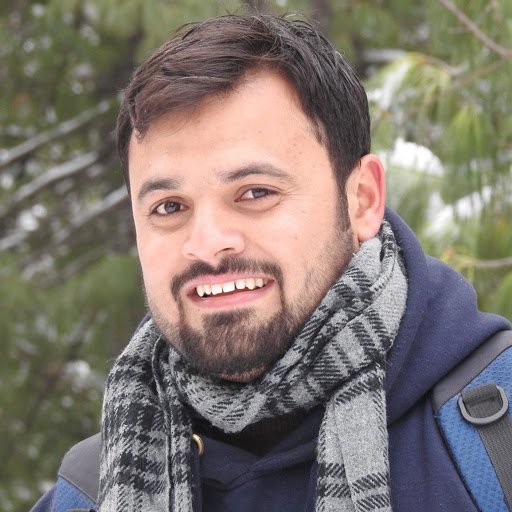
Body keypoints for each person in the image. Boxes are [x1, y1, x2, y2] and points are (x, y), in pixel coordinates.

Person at [31, 13, 511, 512]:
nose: (207, 244)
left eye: (256, 192)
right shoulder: (90, 493)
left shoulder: (495, 435)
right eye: (169, 207)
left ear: (362, 199)